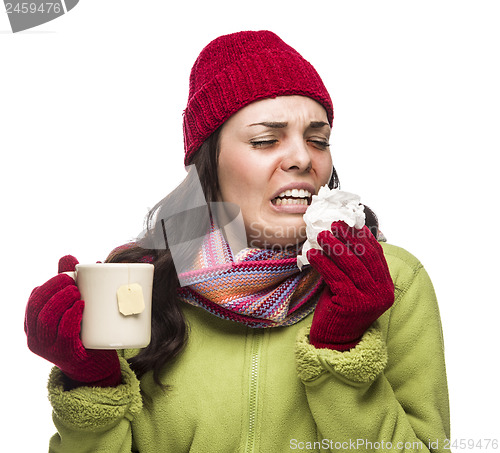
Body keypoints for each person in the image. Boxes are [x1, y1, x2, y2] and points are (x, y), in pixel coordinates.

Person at [25, 30, 451, 452]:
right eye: (266, 140)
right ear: (209, 161)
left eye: (318, 140)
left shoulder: (392, 281)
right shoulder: (134, 284)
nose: (304, 158)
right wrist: (92, 385)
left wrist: (344, 351)